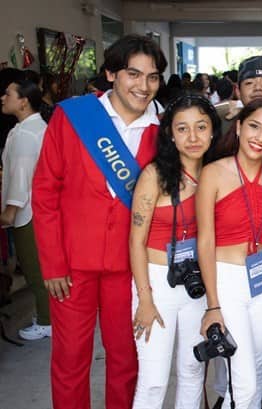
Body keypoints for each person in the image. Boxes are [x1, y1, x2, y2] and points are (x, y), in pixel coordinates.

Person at [32, 34, 167, 409]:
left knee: (126, 360)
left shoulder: (165, 129)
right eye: (133, 74)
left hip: (129, 266)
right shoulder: (73, 116)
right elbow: (44, 194)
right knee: (70, 359)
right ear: (111, 74)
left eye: (153, 77)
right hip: (72, 265)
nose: (143, 86)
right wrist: (53, 264)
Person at [129, 94, 220, 409]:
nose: (193, 137)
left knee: (193, 371)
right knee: (154, 381)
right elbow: (136, 241)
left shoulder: (216, 171)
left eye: (201, 127)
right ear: (169, 133)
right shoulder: (155, 175)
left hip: (197, 281)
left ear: (212, 131)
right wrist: (144, 298)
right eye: (182, 129)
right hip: (157, 283)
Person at [198, 99, 262, 409]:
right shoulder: (213, 173)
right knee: (244, 379)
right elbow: (205, 241)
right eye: (254, 126)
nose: (260, 137)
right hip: (227, 280)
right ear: (238, 126)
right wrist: (213, 304)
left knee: (255, 372)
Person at [0, 79, 50, 340]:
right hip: (39, 210)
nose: (2, 98)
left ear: (23, 101)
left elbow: (21, 176)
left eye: (7, 94)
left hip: (27, 213)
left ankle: (47, 321)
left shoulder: (25, 134)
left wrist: (10, 211)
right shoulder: (35, 128)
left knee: (34, 269)